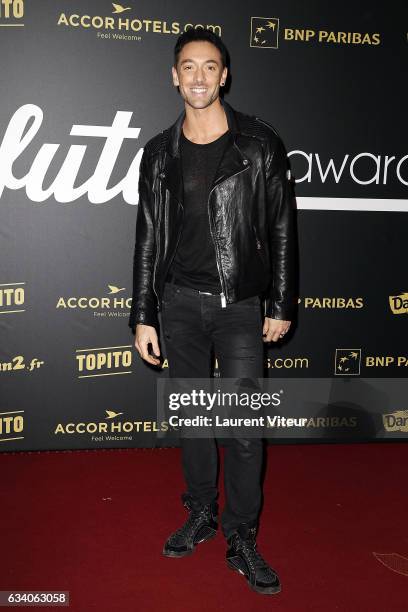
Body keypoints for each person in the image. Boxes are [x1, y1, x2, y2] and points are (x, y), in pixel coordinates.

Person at [129, 28, 297, 595]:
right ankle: (200, 512)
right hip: (177, 303)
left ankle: (242, 535)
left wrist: (279, 302)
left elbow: (280, 227)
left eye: (210, 67)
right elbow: (147, 239)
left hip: (240, 305)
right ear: (173, 76)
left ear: (224, 75)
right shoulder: (158, 152)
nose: (199, 77)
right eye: (188, 67)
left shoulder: (258, 143)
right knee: (196, 422)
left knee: (246, 429)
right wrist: (143, 313)